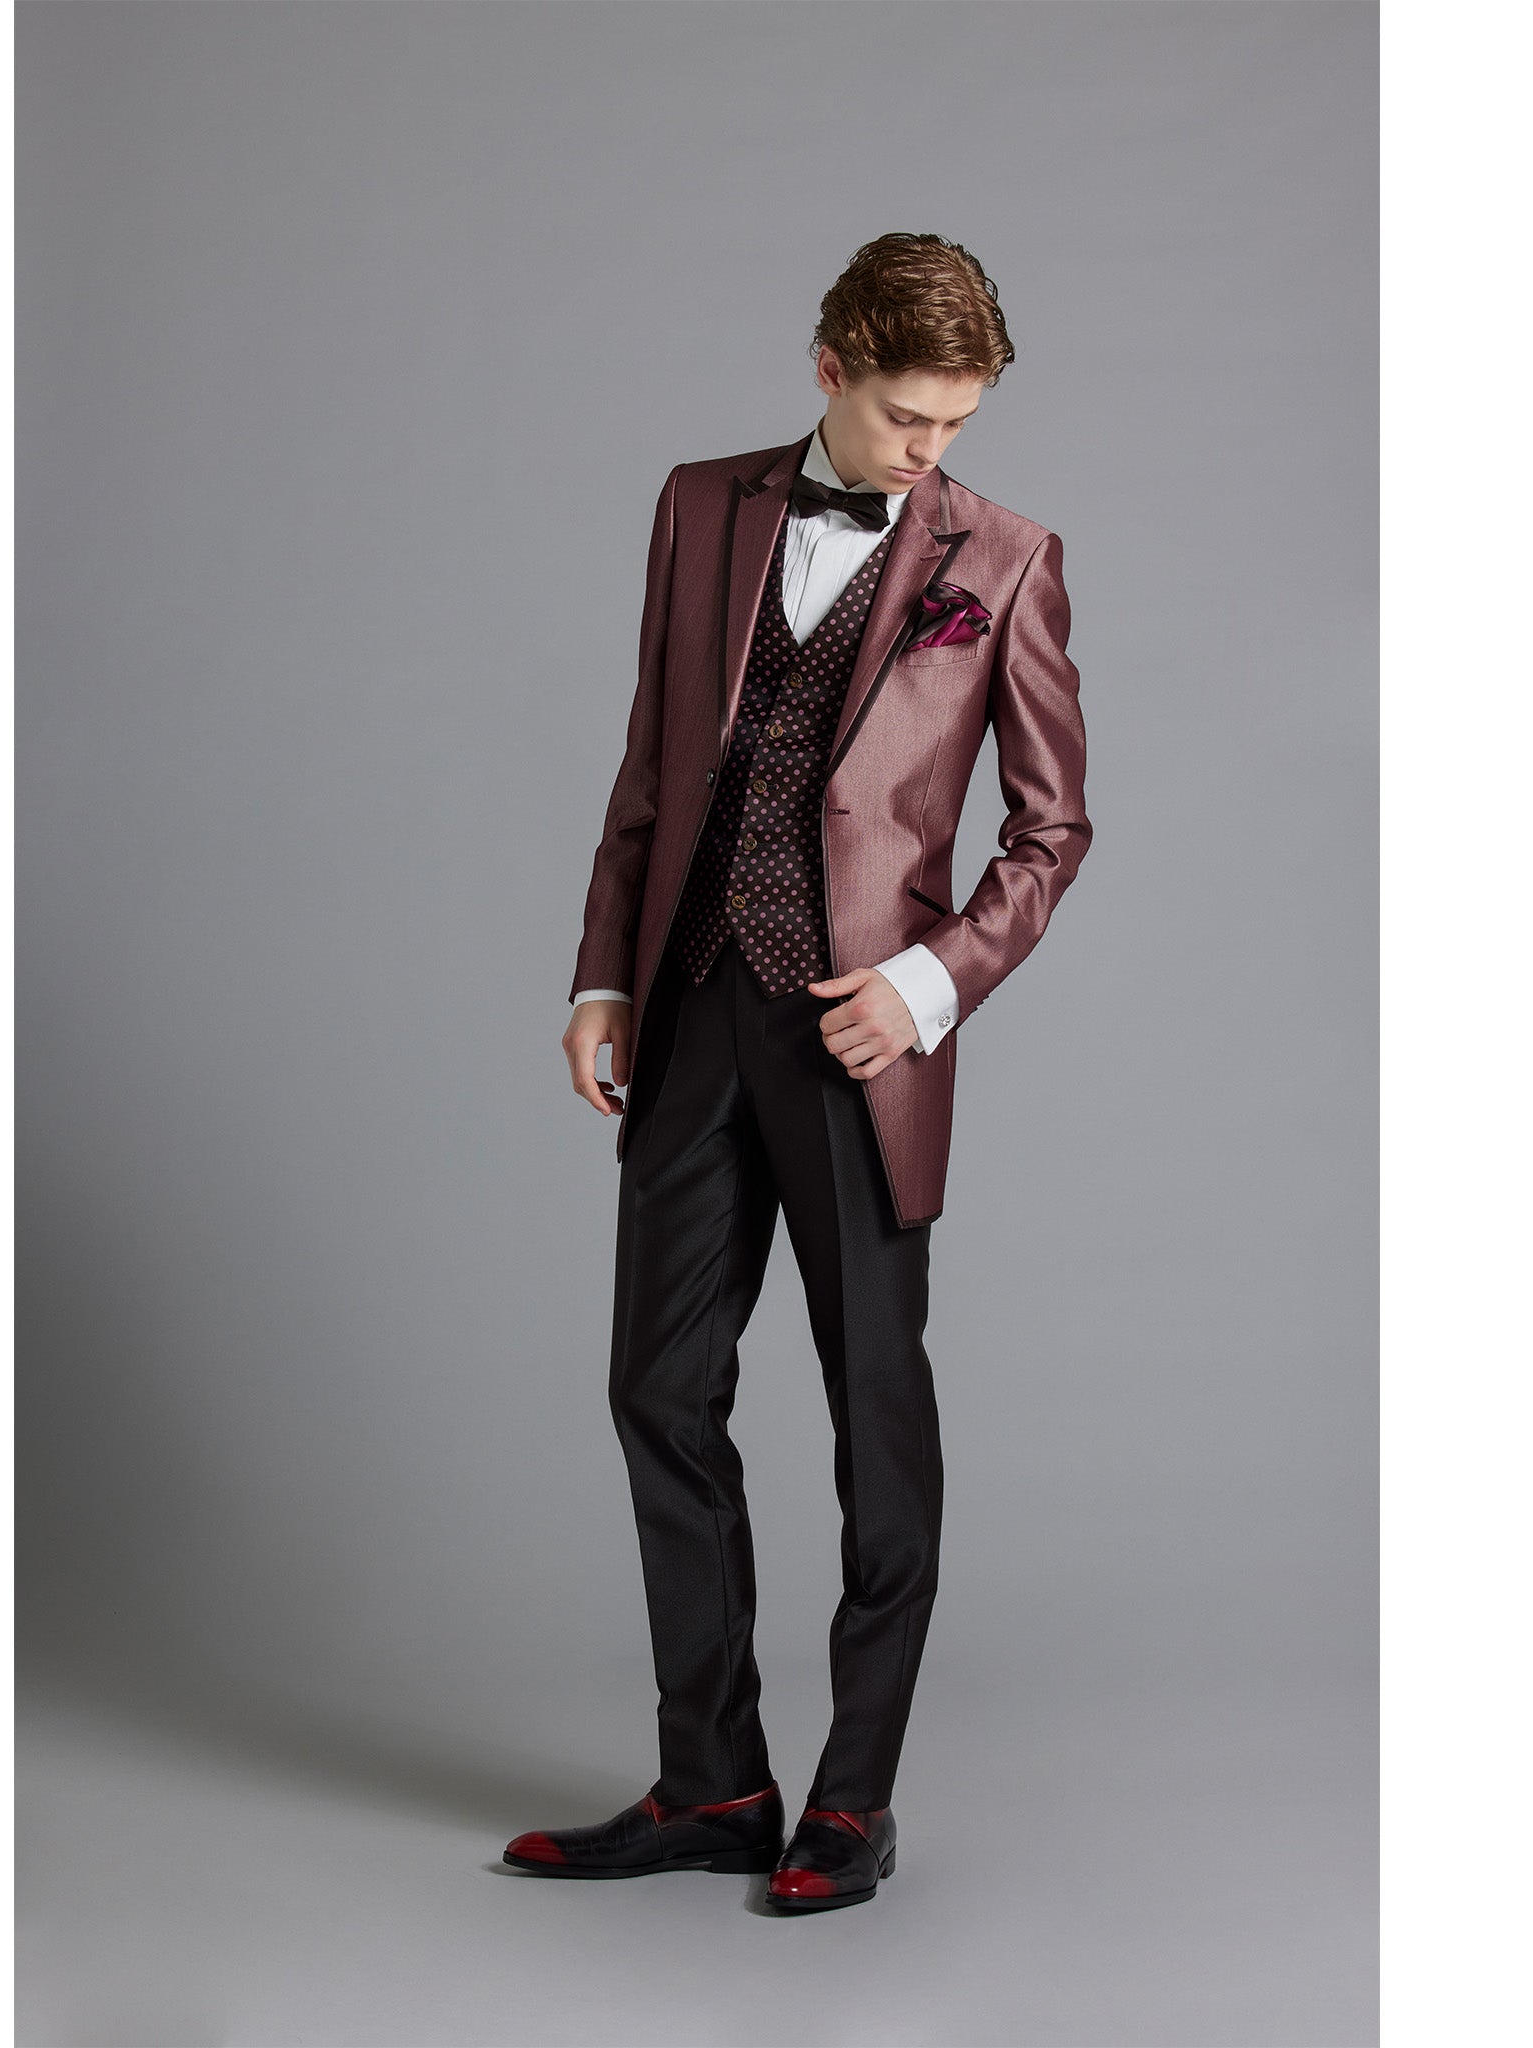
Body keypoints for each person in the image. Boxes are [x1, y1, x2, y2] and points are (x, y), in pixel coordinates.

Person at [503, 232, 1092, 1912]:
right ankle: (712, 1780)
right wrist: (604, 972)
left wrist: (926, 986)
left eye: (956, 424)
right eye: (907, 416)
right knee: (657, 1389)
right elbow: (651, 761)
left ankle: (852, 1800)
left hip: (859, 1037)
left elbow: (1052, 833)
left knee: (873, 1409)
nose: (929, 452)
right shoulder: (702, 507)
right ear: (829, 366)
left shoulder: (1009, 559)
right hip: (693, 1011)